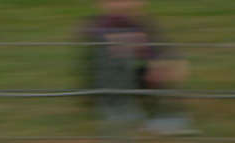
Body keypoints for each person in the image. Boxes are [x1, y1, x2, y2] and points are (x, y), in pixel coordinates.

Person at [74, 0, 195, 134]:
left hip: (132, 80)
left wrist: (168, 64)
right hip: (105, 85)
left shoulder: (144, 24)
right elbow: (108, 48)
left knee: (160, 67)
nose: (123, 5)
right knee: (117, 61)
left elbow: (162, 52)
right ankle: (121, 111)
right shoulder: (97, 25)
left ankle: (163, 116)